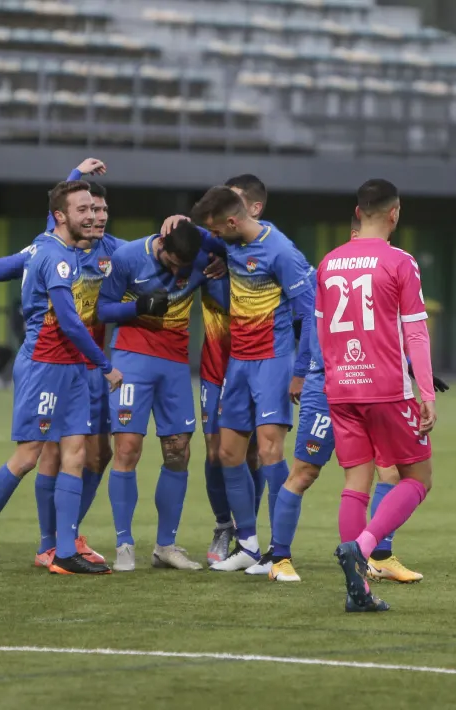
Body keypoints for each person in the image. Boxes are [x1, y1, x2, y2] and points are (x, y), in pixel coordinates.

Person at [266, 216, 441, 584]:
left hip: (355, 385)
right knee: (304, 472)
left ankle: (375, 558)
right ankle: (279, 556)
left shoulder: (335, 264)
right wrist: (307, 374)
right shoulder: (352, 266)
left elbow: (372, 330)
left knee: (387, 473)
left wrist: (407, 365)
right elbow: (317, 331)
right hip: (328, 385)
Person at [0, 180, 122, 575]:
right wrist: (105, 366)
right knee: (28, 457)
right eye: (83, 210)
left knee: (75, 455)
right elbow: (69, 321)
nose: (91, 215)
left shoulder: (54, 246)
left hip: (70, 368)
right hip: (44, 366)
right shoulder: (57, 257)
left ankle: (64, 551)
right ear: (61, 217)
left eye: (94, 208)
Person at [316, 179, 437, 613]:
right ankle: (364, 548)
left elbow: (320, 330)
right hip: (386, 388)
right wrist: (427, 393)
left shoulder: (328, 263)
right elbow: (416, 331)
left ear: (357, 211)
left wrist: (332, 380)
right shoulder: (400, 261)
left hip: (341, 387)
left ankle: (357, 590)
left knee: (356, 485)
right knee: (418, 479)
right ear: (395, 213)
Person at [187, 186, 316, 573]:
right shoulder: (232, 244)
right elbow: (201, 237)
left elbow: (310, 315)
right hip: (238, 363)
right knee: (228, 452)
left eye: (215, 230)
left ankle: (279, 552)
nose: (213, 239)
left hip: (273, 363)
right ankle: (247, 545)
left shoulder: (282, 252)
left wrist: (300, 372)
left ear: (231, 221)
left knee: (271, 452)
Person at [95, 221, 225, 572]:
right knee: (126, 449)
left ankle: (165, 546)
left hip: (175, 363)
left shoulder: (200, 256)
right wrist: (137, 307)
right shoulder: (126, 257)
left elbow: (235, 238)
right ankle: (124, 543)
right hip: (131, 358)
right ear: (161, 243)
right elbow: (103, 309)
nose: (177, 271)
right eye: (171, 262)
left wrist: (220, 260)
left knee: (179, 451)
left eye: (184, 267)